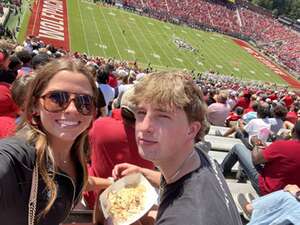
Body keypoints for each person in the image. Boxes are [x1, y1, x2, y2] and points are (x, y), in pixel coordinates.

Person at [114, 71, 242, 225]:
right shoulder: (200, 157)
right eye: (141, 113)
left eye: (163, 116)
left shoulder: (185, 218)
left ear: (191, 130)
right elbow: (176, 180)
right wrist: (142, 173)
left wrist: (123, 217)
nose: (144, 126)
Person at [0, 58, 98, 225]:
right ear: (34, 106)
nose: (72, 110)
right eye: (57, 98)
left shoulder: (76, 154)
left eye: (84, 101)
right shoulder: (17, 157)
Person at [221, 120, 300, 195]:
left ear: (293, 131)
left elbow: (256, 159)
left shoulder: (282, 145)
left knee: (238, 148)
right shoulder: (282, 145)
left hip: (268, 190)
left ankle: (220, 173)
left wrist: (256, 144)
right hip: (292, 195)